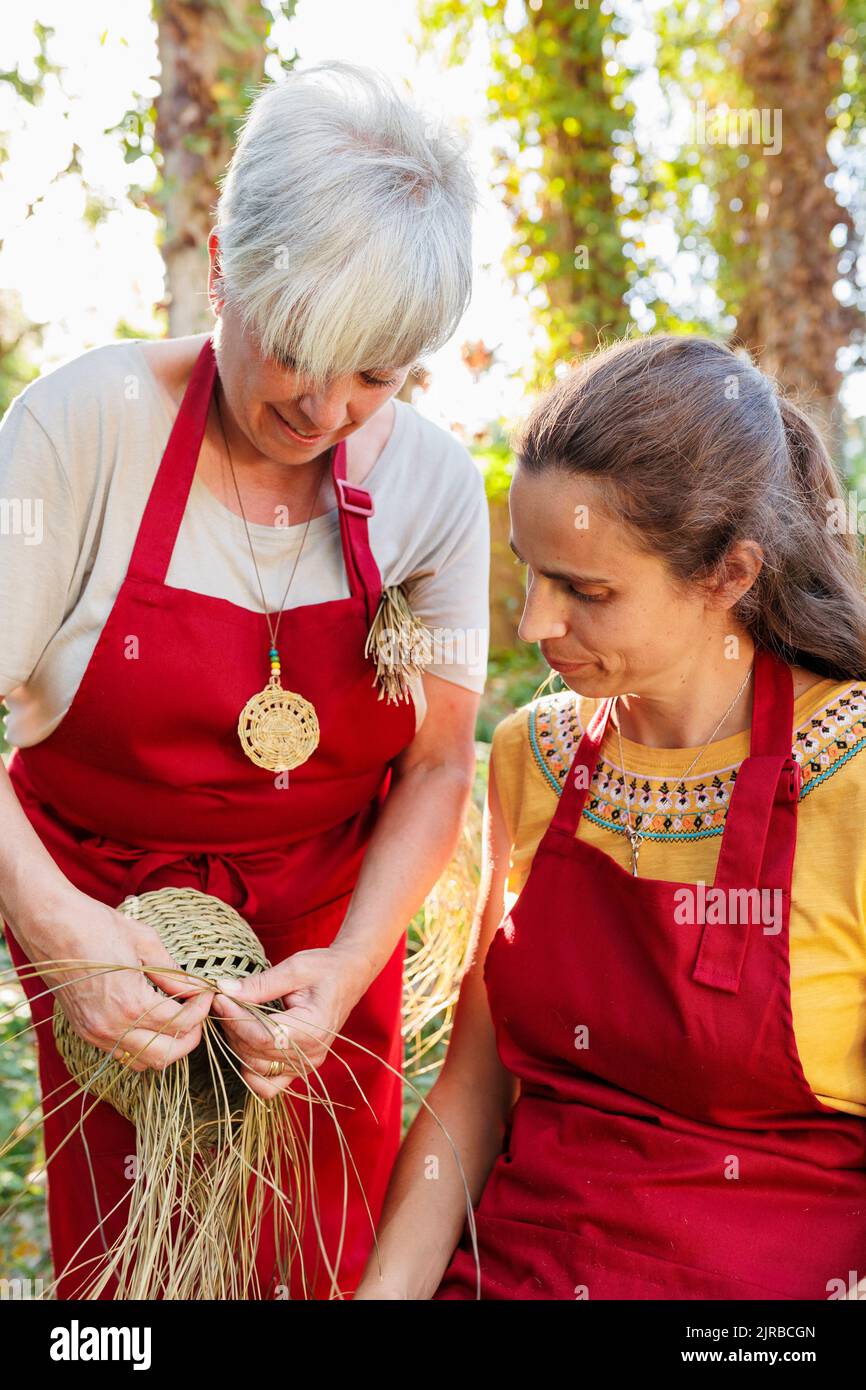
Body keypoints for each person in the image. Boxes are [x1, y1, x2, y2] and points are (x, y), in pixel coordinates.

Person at [0, 60, 488, 1299]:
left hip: (329, 938)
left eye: (376, 372)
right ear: (223, 262)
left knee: (325, 1259)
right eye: (300, 351)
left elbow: (436, 762)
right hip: (116, 940)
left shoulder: (433, 490)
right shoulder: (77, 431)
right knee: (129, 1285)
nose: (325, 405)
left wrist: (353, 965)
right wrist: (66, 935)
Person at [355, 333, 866, 1301]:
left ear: (726, 575)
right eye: (530, 572)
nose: (534, 624)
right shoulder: (533, 757)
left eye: (586, 591)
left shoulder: (853, 775)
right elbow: (473, 1091)